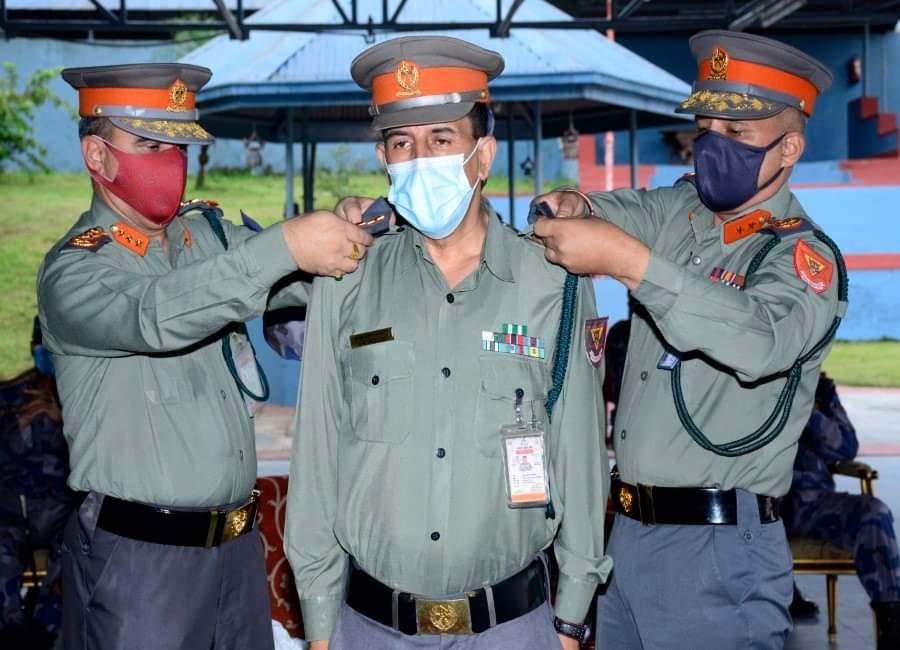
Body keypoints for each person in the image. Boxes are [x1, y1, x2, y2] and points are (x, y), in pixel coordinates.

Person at [284, 36, 610, 650]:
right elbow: (317, 459)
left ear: (482, 154)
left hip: (512, 627)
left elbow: (580, 455)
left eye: (441, 139)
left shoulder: (553, 281)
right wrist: (320, 625)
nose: (419, 159)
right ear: (383, 159)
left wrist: (570, 620)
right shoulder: (347, 279)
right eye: (401, 144)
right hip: (370, 627)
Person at [37, 63, 373, 650]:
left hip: (237, 553)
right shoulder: (75, 271)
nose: (170, 162)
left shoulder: (207, 238)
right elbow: (156, 315)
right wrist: (284, 246)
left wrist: (352, 233)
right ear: (97, 156)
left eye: (179, 148)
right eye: (149, 146)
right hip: (141, 563)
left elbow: (303, 281)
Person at [532, 30, 845, 648]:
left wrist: (632, 265)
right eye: (705, 130)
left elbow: (759, 342)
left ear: (789, 147)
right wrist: (571, 202)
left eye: (737, 133)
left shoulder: (800, 257)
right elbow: (608, 211)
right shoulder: (680, 211)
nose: (712, 147)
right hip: (626, 538)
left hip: (718, 551)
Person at [786, 372, 900, 649]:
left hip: (814, 502)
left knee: (874, 512)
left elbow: (846, 447)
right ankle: (784, 592)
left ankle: (892, 617)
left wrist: (807, 409)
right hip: (762, 503)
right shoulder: (748, 379)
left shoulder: (818, 388)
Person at [0, 318, 74, 649]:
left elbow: (101, 459)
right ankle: (9, 632)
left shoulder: (81, 400)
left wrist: (64, 422)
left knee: (74, 555)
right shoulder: (10, 395)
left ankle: (46, 633)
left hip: (62, 510)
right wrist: (18, 424)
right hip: (12, 508)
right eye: (40, 346)